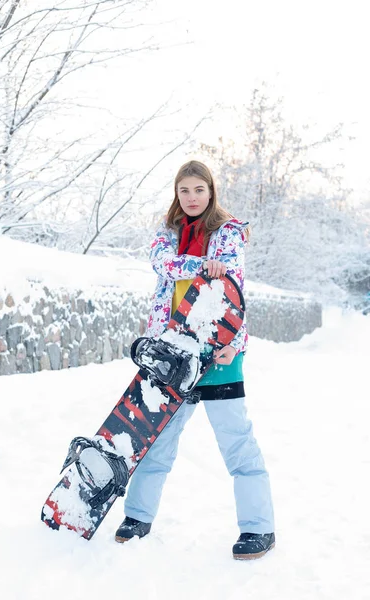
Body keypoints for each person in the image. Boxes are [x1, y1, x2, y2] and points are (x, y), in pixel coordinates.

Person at [115, 160, 275, 560]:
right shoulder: (165, 233)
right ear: (176, 193)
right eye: (184, 190)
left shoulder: (227, 234)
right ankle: (137, 517)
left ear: (211, 192)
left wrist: (234, 342)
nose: (191, 198)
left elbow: (234, 289)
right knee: (157, 442)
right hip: (171, 353)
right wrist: (201, 265)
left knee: (236, 442)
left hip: (218, 353)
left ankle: (259, 528)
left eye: (198, 190)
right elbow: (161, 264)